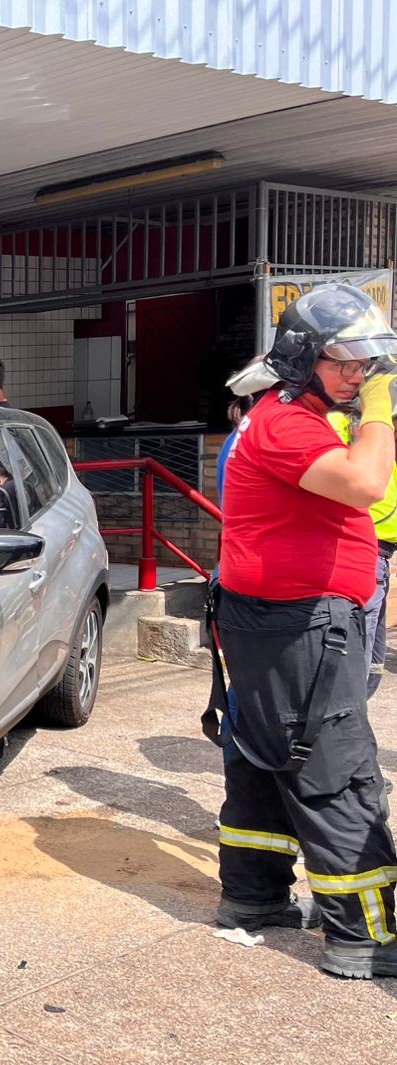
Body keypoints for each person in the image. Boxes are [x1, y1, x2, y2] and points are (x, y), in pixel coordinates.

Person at [211, 282, 397, 978]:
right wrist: (382, 408)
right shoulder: (287, 423)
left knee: (264, 759)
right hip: (301, 628)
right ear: (302, 358)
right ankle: (366, 937)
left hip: (280, 623)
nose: (359, 373)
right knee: (336, 771)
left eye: (368, 362)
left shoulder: (291, 413)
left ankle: (253, 899)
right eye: (345, 361)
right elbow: (365, 484)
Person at [328, 407, 397, 696]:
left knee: (371, 661)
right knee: (355, 657)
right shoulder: (345, 427)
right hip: (361, 551)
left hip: (379, 555)